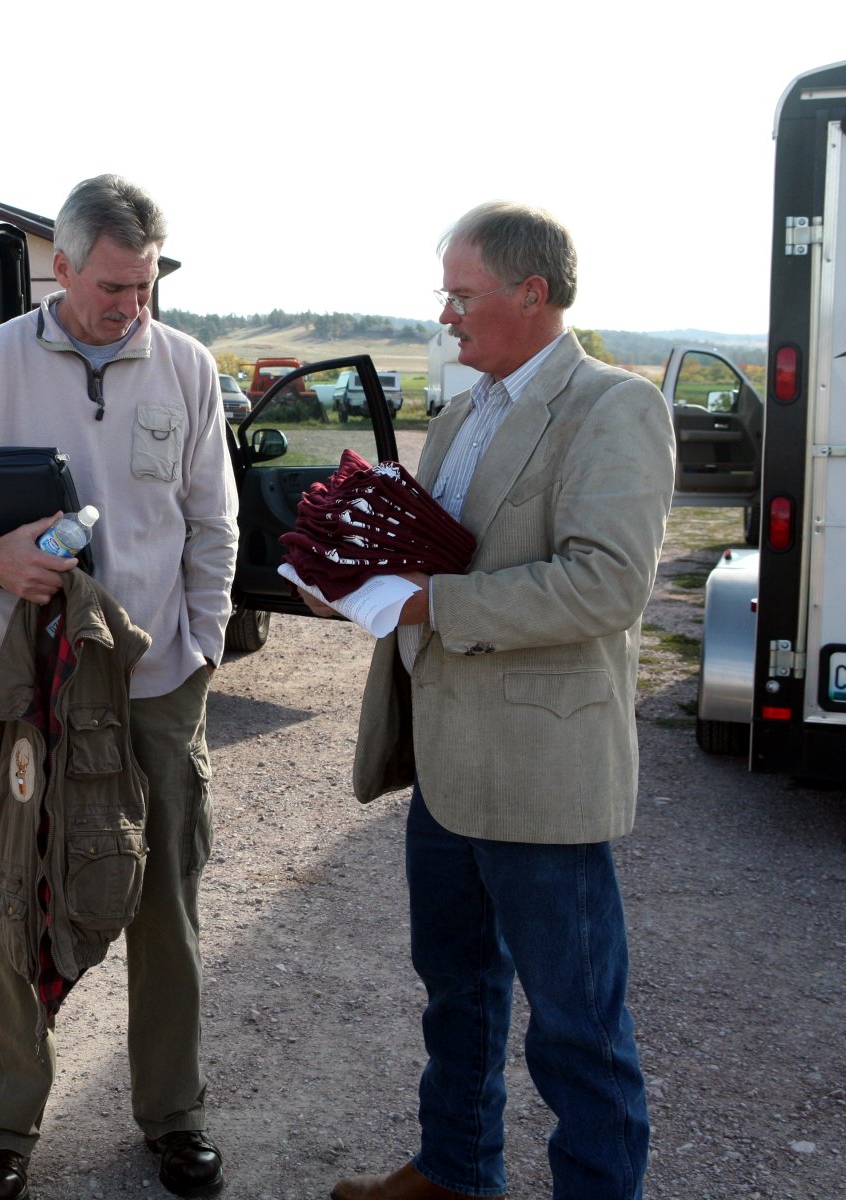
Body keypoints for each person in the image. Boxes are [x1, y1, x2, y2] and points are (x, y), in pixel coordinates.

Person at [309, 202, 670, 1200]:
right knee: (456, 994)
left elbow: (606, 585)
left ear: (532, 293)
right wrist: (357, 575)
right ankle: (456, 1171)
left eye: (461, 295)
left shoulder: (612, 409)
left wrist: (429, 600)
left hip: (542, 776)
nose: (447, 315)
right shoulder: (465, 410)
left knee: (575, 1028)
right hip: (448, 763)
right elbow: (432, 555)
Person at [0, 175, 238, 1200]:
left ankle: (173, 1117)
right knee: (6, 898)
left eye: (144, 287)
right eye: (112, 287)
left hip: (155, 687)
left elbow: (213, 524)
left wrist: (203, 650)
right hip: (21, 693)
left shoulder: (185, 368)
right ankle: (2, 1131)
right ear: (62, 265)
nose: (129, 306)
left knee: (164, 904)